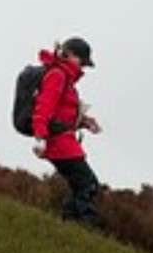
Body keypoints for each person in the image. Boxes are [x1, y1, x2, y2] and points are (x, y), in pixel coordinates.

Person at [31, 37, 103, 225]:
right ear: (70, 56)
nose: (83, 69)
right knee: (88, 184)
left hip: (62, 141)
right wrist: (39, 137)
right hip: (59, 143)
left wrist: (84, 122)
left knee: (83, 184)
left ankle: (69, 223)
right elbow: (44, 106)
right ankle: (83, 225)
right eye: (82, 62)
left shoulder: (64, 77)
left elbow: (62, 113)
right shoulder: (58, 75)